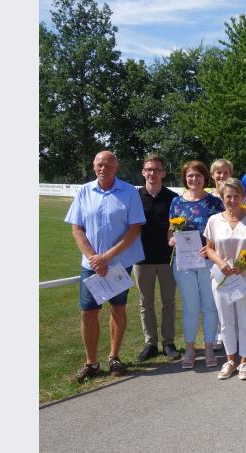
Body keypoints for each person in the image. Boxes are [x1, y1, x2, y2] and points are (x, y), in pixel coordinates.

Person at [65, 151, 145, 383]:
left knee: (118, 309)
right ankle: (91, 362)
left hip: (119, 263)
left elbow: (134, 230)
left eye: (108, 165)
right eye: (100, 164)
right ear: (94, 166)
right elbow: (77, 228)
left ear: (116, 167)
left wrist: (107, 257)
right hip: (92, 265)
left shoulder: (129, 192)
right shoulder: (83, 191)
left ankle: (114, 357)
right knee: (88, 312)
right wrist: (94, 258)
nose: (104, 168)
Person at [203, 178, 246, 380]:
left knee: (245, 321)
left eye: (236, 196)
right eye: (228, 196)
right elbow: (209, 248)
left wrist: (245, 264)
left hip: (245, 277)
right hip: (221, 278)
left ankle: (244, 361)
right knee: (225, 322)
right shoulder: (214, 220)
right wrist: (220, 263)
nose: (232, 200)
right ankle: (230, 360)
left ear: (242, 197)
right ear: (222, 197)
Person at [168, 161, 224, 369]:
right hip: (184, 263)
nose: (194, 179)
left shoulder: (215, 203)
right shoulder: (176, 203)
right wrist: (171, 239)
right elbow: (170, 230)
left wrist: (211, 248)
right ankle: (190, 350)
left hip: (208, 261)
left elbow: (221, 233)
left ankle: (209, 348)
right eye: (190, 176)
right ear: (185, 178)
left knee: (209, 307)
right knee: (190, 308)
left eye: (198, 176)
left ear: (204, 178)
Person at [134, 155, 180, 362]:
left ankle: (168, 342)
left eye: (156, 170)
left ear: (163, 173)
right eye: (148, 169)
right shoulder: (134, 197)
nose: (152, 173)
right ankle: (150, 343)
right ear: (143, 172)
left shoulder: (173, 198)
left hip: (167, 259)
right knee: (146, 303)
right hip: (141, 259)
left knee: (168, 302)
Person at [208, 158, 233, 352]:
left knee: (233, 295)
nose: (222, 176)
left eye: (225, 172)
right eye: (218, 172)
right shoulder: (208, 198)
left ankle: (234, 335)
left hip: (232, 257)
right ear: (213, 175)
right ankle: (218, 333)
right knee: (215, 297)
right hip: (211, 255)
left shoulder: (236, 195)